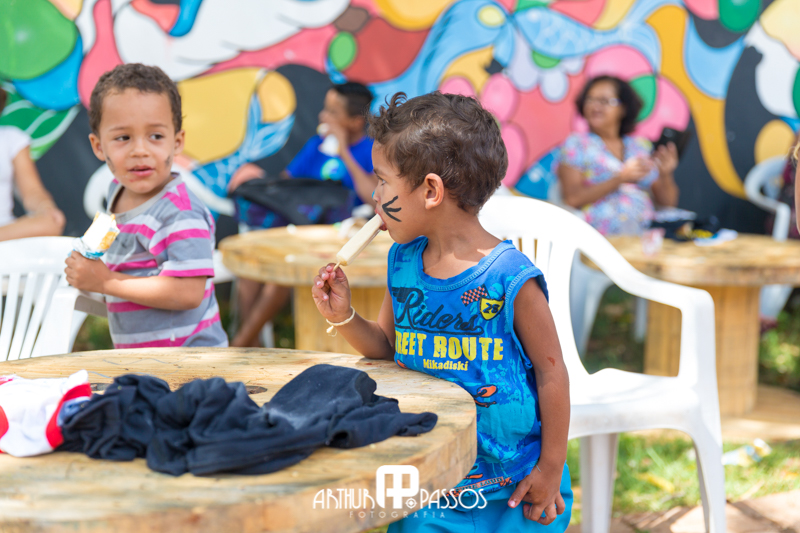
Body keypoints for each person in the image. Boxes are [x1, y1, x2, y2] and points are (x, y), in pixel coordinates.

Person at [313, 92, 572, 532]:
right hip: (428, 483)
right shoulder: (403, 263)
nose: (375, 195)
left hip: (512, 486)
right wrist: (344, 317)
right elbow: (386, 346)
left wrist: (550, 469)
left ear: (430, 191)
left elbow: (552, 373)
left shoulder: (509, 277)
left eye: (383, 182)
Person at [64, 63, 228, 348]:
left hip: (191, 363)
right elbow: (110, 235)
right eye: (123, 137)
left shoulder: (180, 212)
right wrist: (86, 260)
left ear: (177, 142)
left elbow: (188, 292)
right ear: (99, 146)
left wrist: (106, 282)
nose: (140, 150)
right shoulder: (116, 190)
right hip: (143, 362)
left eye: (156, 136)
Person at [230, 81, 376, 347]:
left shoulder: (370, 150)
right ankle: (252, 345)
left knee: (279, 279)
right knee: (250, 273)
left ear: (355, 122)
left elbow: (373, 197)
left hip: (335, 239)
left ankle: (239, 345)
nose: (323, 116)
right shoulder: (316, 145)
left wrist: (344, 151)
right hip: (299, 230)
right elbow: (289, 184)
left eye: (332, 112)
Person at [558, 75, 679, 236]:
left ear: (623, 108)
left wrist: (665, 174)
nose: (595, 106)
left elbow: (668, 203)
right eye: (590, 99)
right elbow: (573, 198)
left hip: (644, 235)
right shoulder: (576, 144)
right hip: (599, 237)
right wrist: (620, 178)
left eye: (604, 101)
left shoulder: (639, 146)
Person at [0, 88, 65, 241]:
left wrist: (45, 207)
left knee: (50, 223)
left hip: (7, 232)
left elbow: (32, 191)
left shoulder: (11, 138)